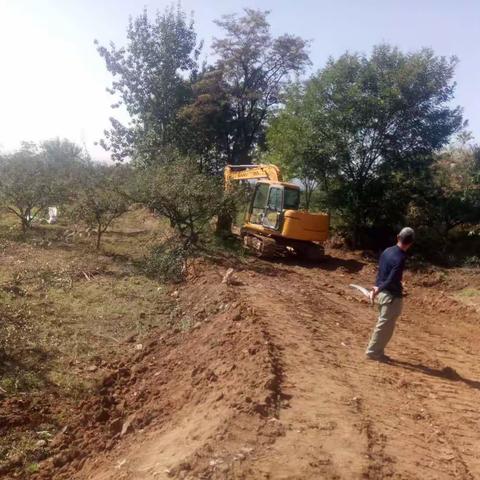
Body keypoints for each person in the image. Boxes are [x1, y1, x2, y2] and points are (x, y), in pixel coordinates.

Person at [365, 227, 415, 361]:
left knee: (385, 325)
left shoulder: (387, 251)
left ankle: (377, 351)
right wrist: (378, 289)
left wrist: (376, 288)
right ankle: (373, 352)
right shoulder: (401, 258)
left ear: (398, 237)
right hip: (391, 297)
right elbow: (392, 279)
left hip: (383, 296)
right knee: (385, 326)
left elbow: (381, 273)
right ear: (411, 243)